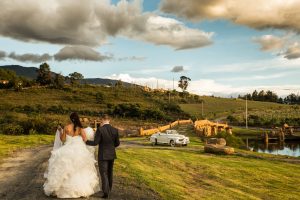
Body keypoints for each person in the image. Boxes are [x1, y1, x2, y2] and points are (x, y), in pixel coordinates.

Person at [44, 112, 100, 198]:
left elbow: (62, 140)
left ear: (71, 119)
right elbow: (85, 139)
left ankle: (63, 189)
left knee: (66, 168)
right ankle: (80, 189)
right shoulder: (80, 128)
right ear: (77, 118)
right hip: (79, 149)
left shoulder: (66, 127)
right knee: (79, 169)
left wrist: (60, 131)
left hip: (68, 148)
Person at [85, 114, 120, 199]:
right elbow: (117, 143)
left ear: (103, 120)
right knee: (110, 172)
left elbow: (95, 143)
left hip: (103, 155)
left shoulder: (100, 129)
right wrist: (111, 147)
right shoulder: (115, 130)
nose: (100, 122)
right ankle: (109, 189)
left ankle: (105, 192)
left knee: (103, 173)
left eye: (101, 120)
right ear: (109, 120)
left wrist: (86, 141)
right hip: (111, 154)